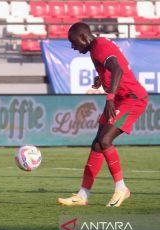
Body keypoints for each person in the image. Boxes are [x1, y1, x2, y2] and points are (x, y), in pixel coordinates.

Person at [58, 22, 148, 207]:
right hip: (121, 99)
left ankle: (121, 189)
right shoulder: (96, 48)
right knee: (98, 144)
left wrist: (110, 97)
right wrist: (102, 78)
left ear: (83, 37)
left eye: (74, 42)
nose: (73, 46)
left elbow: (117, 68)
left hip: (132, 99)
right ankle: (82, 195)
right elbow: (112, 66)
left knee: (105, 140)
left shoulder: (99, 46)